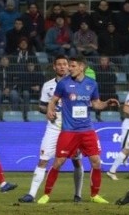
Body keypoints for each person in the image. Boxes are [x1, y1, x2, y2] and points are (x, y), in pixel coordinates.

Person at [37, 55, 120, 204]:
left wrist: (107, 103)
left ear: (82, 67)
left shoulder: (92, 84)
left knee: (96, 162)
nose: (69, 68)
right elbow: (53, 100)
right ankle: (46, 195)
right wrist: (50, 110)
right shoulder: (63, 84)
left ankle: (95, 195)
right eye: (69, 66)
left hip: (87, 130)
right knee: (58, 162)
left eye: (73, 66)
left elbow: (96, 104)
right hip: (69, 131)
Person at [18, 54, 86, 203]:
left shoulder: (78, 84)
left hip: (72, 129)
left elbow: (84, 106)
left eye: (65, 64)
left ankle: (78, 195)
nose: (62, 66)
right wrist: (48, 111)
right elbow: (42, 105)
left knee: (76, 161)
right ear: (54, 67)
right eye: (59, 64)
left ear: (69, 66)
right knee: (43, 160)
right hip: (53, 128)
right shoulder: (48, 85)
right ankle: (31, 194)